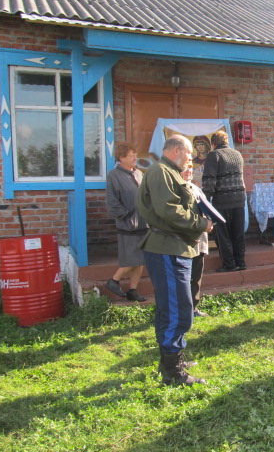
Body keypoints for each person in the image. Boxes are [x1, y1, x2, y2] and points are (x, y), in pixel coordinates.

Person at [136, 135, 213, 386]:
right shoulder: (161, 171)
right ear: (177, 150)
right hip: (167, 248)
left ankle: (171, 360)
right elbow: (169, 210)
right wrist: (201, 224)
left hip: (176, 247)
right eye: (189, 153)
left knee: (174, 308)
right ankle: (173, 372)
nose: (191, 158)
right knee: (176, 310)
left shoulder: (169, 172)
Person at [104, 143, 148, 302]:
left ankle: (133, 290)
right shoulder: (114, 176)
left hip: (143, 222)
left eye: (135, 155)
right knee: (132, 258)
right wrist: (127, 216)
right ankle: (114, 281)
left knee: (141, 258)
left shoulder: (139, 174)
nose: (135, 158)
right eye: (131, 155)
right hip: (128, 224)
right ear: (122, 158)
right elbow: (112, 202)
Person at [202, 130, 247, 273]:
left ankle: (229, 264)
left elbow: (209, 180)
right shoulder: (237, 154)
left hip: (222, 201)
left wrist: (205, 199)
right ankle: (241, 262)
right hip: (239, 200)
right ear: (226, 141)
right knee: (238, 233)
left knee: (223, 235)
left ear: (213, 143)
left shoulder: (214, 155)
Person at [181, 163, 209, 318]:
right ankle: (183, 309)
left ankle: (193, 308)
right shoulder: (176, 190)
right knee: (184, 277)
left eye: (191, 167)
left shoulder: (196, 188)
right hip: (185, 241)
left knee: (196, 276)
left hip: (199, 239)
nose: (189, 170)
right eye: (185, 167)